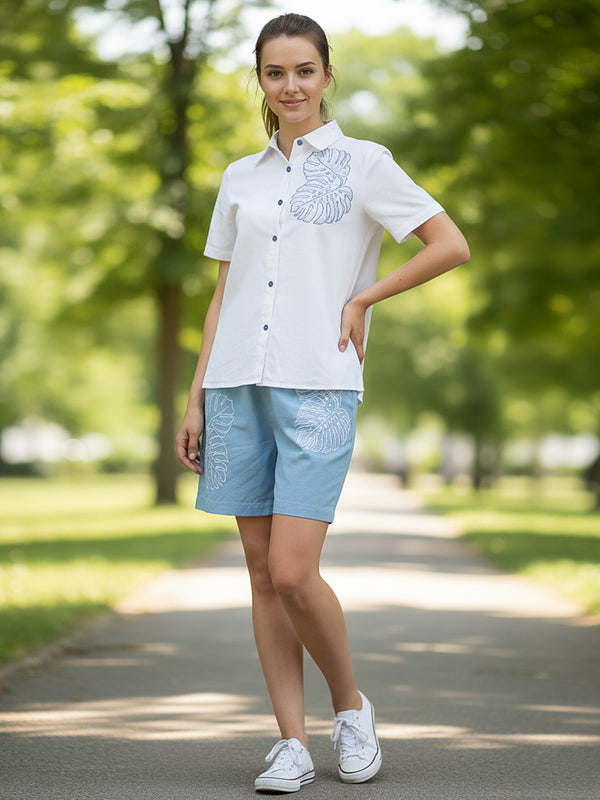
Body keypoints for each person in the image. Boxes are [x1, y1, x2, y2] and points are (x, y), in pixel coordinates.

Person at [176, 12, 470, 794]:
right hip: (236, 384)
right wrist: (197, 394)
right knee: (259, 572)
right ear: (261, 83)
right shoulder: (240, 177)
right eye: (276, 73)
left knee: (295, 571)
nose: (291, 85)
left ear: (327, 75)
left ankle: (351, 708)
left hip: (319, 383)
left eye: (304, 70)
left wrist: (365, 297)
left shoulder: (366, 164)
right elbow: (223, 293)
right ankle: (292, 743)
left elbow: (449, 244)